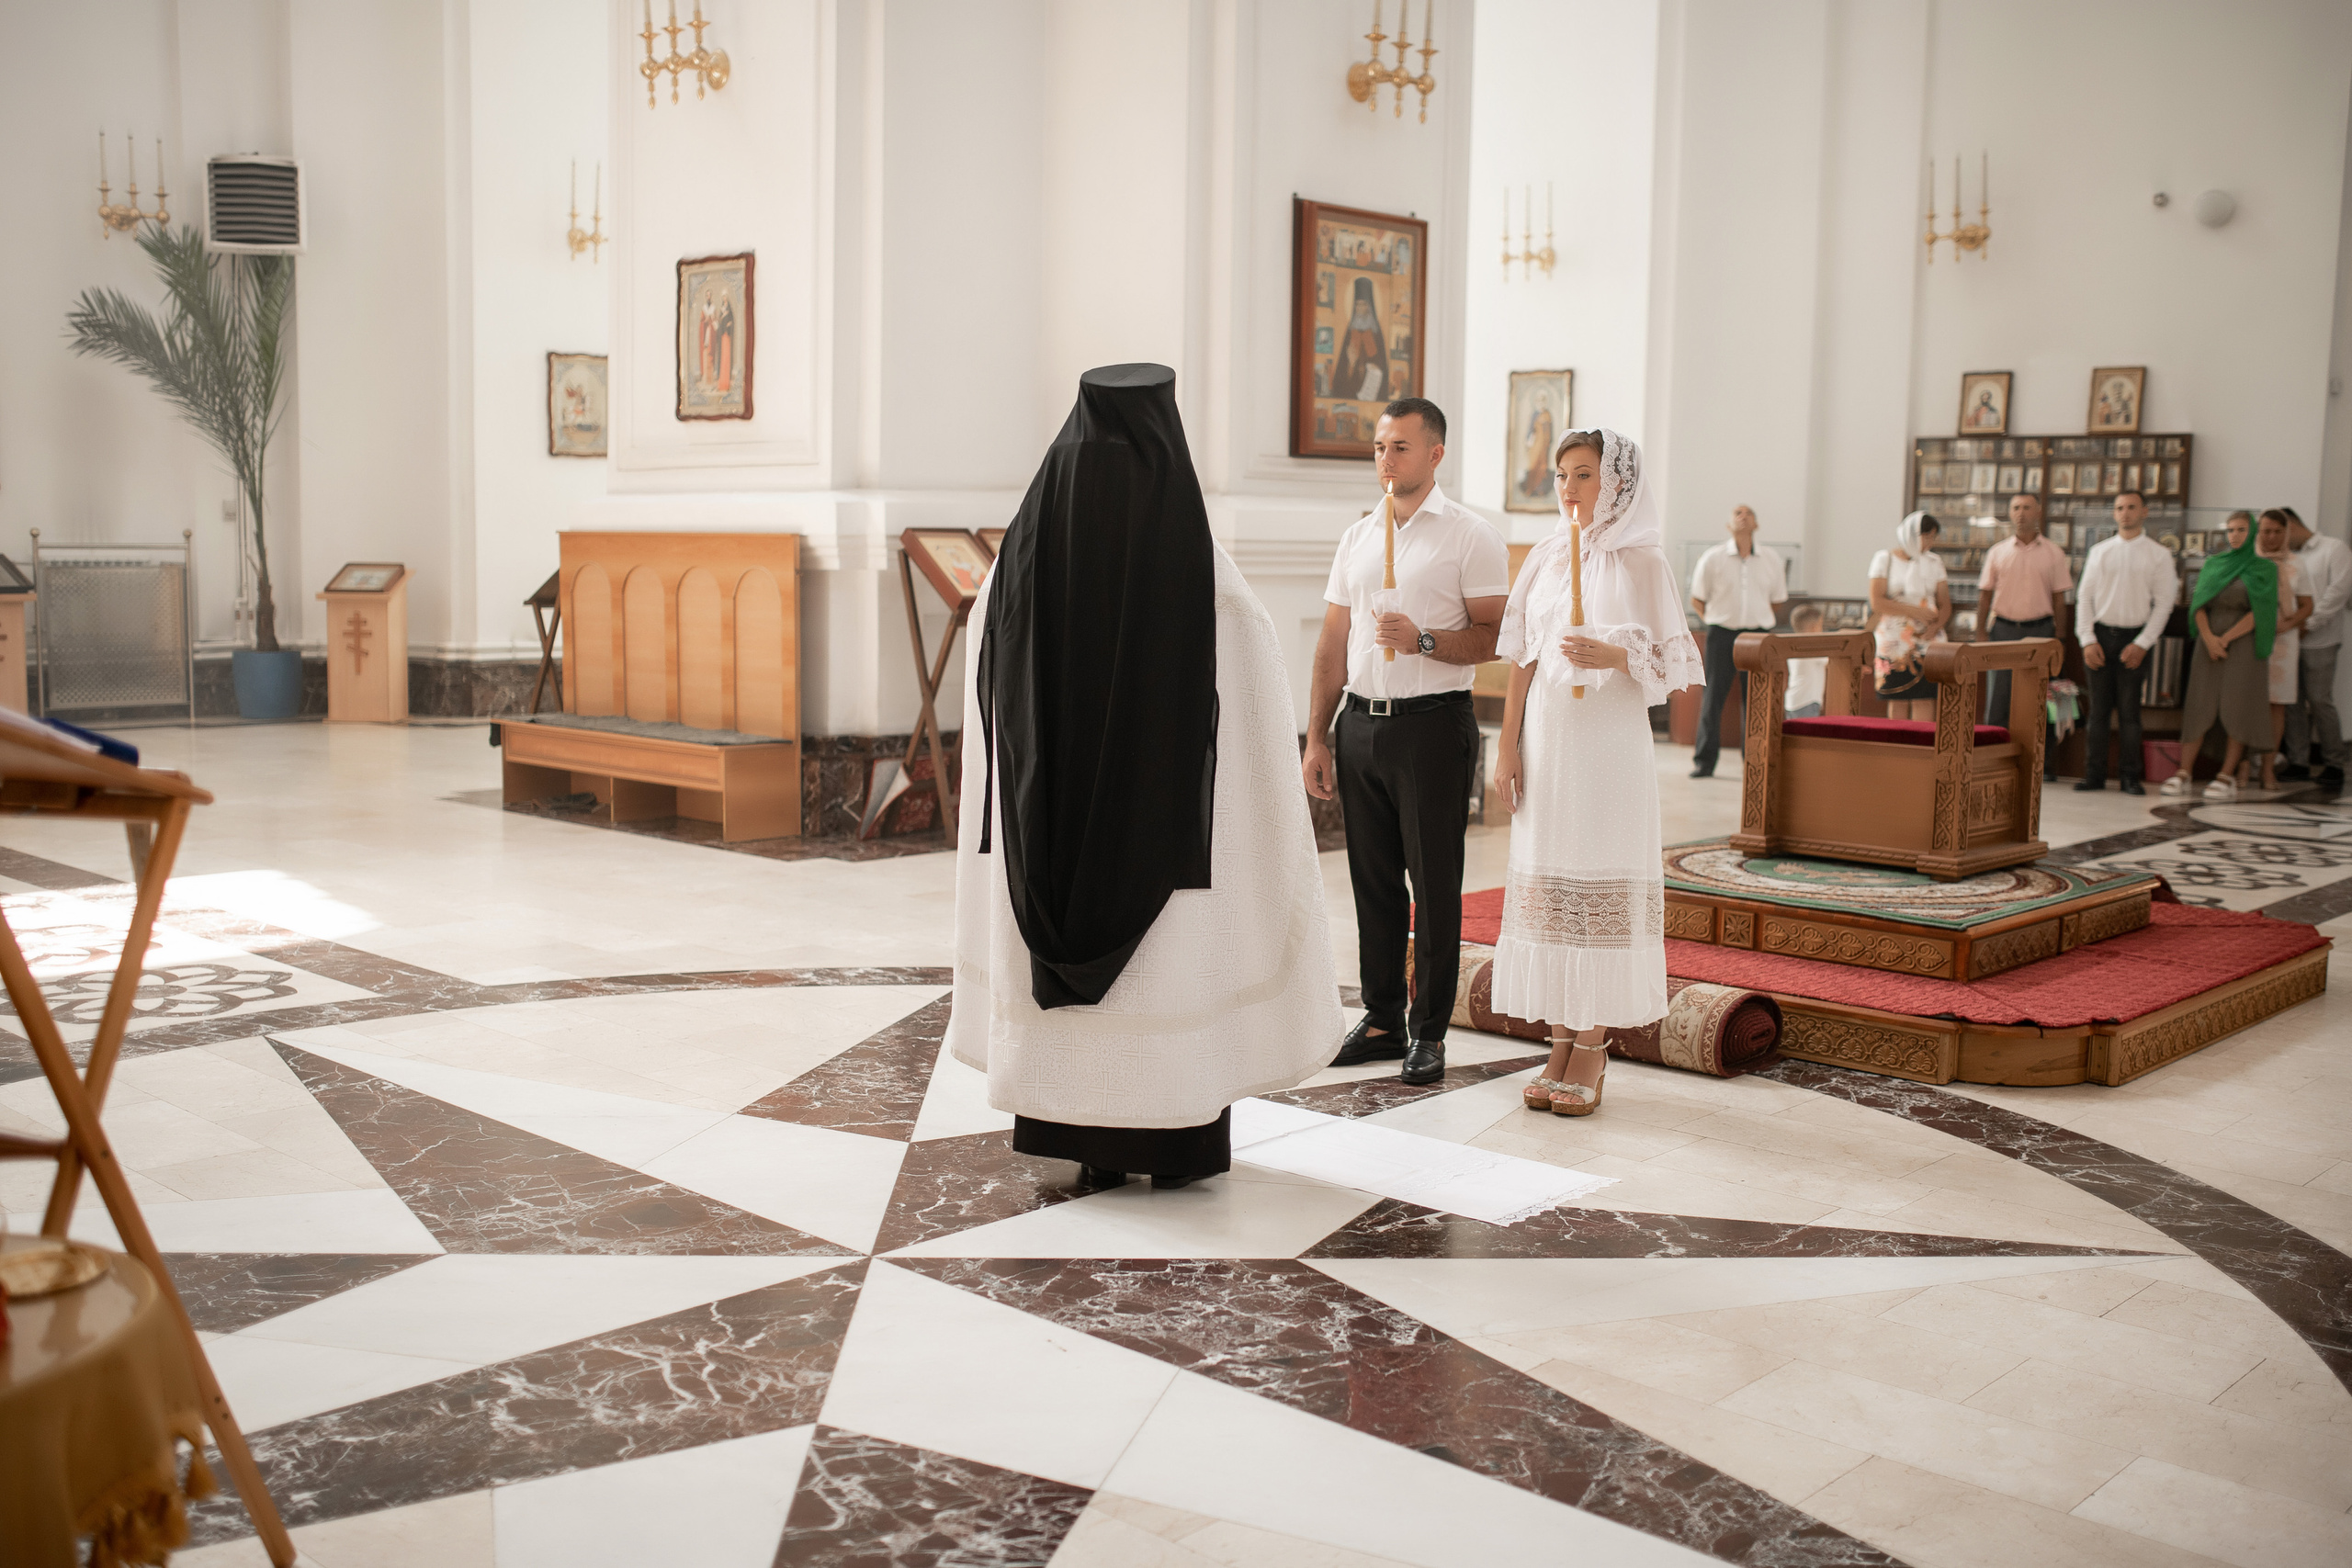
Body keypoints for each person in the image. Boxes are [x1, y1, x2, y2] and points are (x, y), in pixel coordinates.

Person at [947, 363, 1340, 1190]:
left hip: (1043, 835)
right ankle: (1171, 1143)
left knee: (1081, 1003)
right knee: (1166, 971)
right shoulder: (1205, 578)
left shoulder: (1014, 565)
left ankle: (1081, 1139)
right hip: (1167, 847)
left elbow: (990, 713)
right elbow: (1249, 714)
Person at [1490, 429, 1702, 1116]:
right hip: (1550, 741)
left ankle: (1592, 1048)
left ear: (1616, 482)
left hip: (1608, 748)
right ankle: (1557, 1040)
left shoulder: (1643, 563)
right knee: (1552, 884)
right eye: (1562, 475)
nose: (1569, 489)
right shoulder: (1549, 557)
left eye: (1584, 475)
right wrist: (1508, 745)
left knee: (1596, 876)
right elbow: (1521, 659)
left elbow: (1675, 668)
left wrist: (1613, 655)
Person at [1304, 398, 1509, 1087]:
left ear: (1434, 454)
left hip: (1431, 726)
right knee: (1373, 884)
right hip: (1360, 724)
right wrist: (1318, 737)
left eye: (1399, 448)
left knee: (1435, 883)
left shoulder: (1469, 535)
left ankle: (1429, 1030)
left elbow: (1493, 635)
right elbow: (1333, 642)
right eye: (1378, 447)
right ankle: (1384, 1016)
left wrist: (1421, 638)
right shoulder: (1359, 535)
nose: (1385, 460)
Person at [2162, 510, 2276, 803]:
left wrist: (2226, 638)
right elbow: (2198, 605)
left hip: (2243, 643)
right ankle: (2184, 772)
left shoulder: (2264, 569)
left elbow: (2260, 613)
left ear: (2251, 534)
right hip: (2208, 642)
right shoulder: (2213, 564)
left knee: (2237, 705)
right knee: (2200, 702)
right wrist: (2210, 639)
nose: (2234, 535)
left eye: (2241, 530)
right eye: (2231, 530)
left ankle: (2226, 775)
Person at [2074, 490, 2177, 795]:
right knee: (2098, 712)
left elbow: (2165, 603)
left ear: (2144, 512)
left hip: (2136, 637)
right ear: (2114, 513)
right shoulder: (2100, 551)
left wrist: (2144, 642)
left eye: (2132, 507)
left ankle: (2130, 777)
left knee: (2130, 713)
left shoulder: (2159, 554)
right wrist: (2087, 639)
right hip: (2101, 637)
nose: (2126, 513)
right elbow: (2084, 597)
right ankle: (2094, 775)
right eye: (2120, 508)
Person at [1687, 504, 1786, 777]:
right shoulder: (1713, 557)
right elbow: (1697, 599)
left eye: (1749, 513)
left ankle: (1755, 762)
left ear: (1756, 524)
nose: (1743, 517)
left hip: (1759, 636)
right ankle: (1704, 763)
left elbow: (1777, 601)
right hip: (1721, 634)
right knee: (1712, 698)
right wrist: (1715, 620)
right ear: (1729, 525)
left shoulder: (1771, 559)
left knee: (1757, 700)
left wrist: (1755, 618)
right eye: (1737, 514)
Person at [1976, 492, 2072, 778]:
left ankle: (2046, 765)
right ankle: (1993, 763)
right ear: (2009, 512)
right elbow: (1984, 596)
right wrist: (1981, 632)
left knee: (2045, 699)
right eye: (2016, 507)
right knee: (2000, 699)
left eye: (2027, 507)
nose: (2021, 513)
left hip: (2042, 632)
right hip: (2004, 630)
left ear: (2038, 512)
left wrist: (2060, 640)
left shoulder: (2054, 553)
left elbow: (2059, 600)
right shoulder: (1997, 552)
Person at [2278, 507, 2351, 786]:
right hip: (2290, 639)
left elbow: (2339, 592)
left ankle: (2334, 763)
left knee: (2320, 700)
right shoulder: (2290, 557)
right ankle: (2299, 761)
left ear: (2293, 525)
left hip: (2320, 639)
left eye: (2281, 532)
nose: (2279, 539)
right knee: (2292, 702)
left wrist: (2308, 624)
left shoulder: (2334, 548)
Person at [2253, 510, 2314, 792]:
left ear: (2286, 533)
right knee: (2248, 702)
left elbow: (2307, 605)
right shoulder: (2248, 560)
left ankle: (2268, 769)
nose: (2271, 537)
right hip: (2250, 637)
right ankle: (2241, 767)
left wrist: (2287, 623)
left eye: (2277, 531)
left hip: (2284, 641)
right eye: (2266, 531)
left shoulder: (2296, 564)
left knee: (2276, 704)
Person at [1868, 513, 1950, 720]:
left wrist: (1935, 626)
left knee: (1925, 696)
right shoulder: (1884, 559)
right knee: (1898, 697)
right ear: (1913, 534)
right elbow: (1877, 601)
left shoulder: (1934, 562)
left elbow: (1945, 604)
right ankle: (1898, 749)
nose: (1930, 543)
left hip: (1928, 637)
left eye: (1933, 537)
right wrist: (1916, 612)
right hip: (1895, 640)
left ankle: (1923, 748)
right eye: (1927, 537)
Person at [1784, 603, 1827, 718]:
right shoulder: (1811, 647)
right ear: (1815, 628)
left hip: (1794, 700)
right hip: (1807, 700)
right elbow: (1831, 660)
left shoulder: (1794, 645)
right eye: (1821, 626)